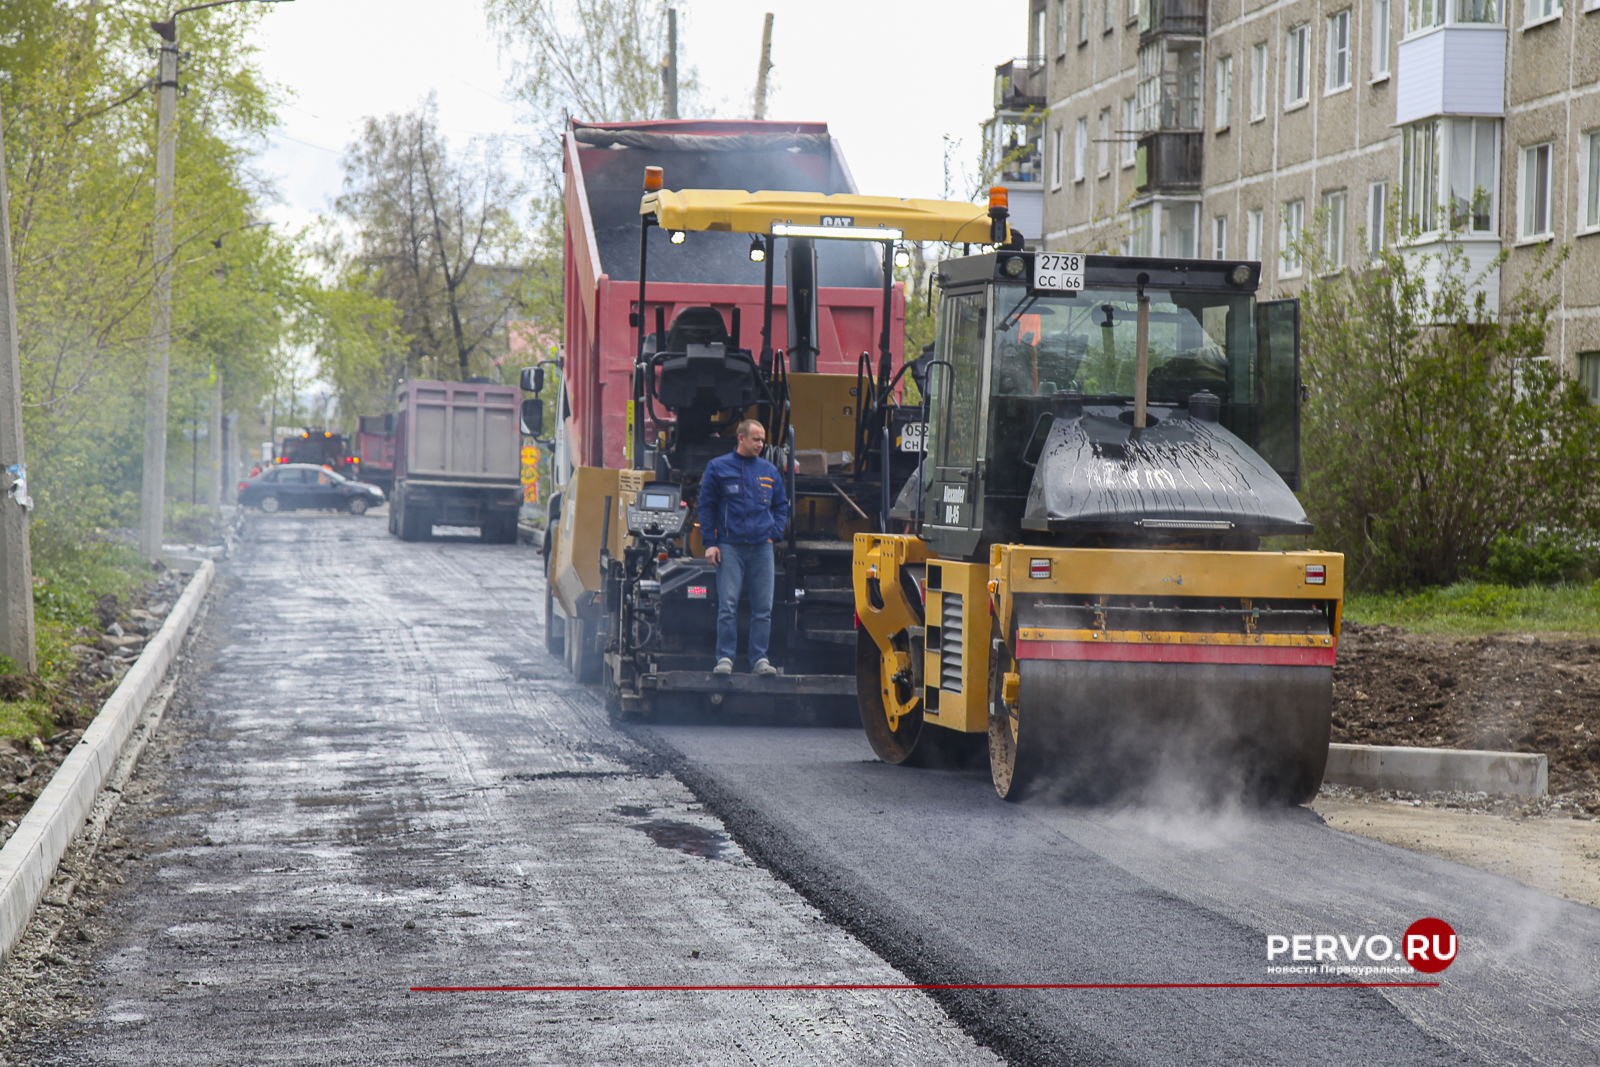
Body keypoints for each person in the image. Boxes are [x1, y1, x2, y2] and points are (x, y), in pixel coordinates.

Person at [697, 419, 788, 676]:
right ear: (741, 438)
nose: (760, 444)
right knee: (727, 606)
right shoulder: (718, 468)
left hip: (762, 549)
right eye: (756, 439)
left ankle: (760, 660)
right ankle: (725, 658)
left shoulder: (769, 471)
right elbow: (706, 507)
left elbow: (781, 505)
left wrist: (774, 534)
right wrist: (710, 544)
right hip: (730, 548)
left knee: (763, 609)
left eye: (762, 440)